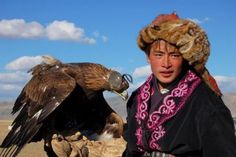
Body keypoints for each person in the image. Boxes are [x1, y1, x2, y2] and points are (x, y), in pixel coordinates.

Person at [122, 12, 236, 157]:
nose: (166, 64)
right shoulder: (136, 98)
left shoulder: (206, 102)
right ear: (148, 57)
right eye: (159, 54)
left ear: (184, 58)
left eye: (174, 55)